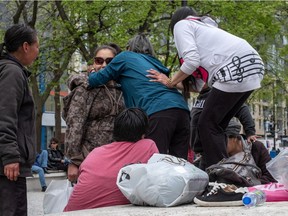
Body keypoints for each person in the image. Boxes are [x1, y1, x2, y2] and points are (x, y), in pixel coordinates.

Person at [147, 6, 264, 169]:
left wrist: (171, 82)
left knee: (206, 124)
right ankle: (223, 171)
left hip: (234, 67)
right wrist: (172, 82)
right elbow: (200, 86)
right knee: (216, 125)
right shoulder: (207, 31)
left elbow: (192, 60)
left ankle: (220, 176)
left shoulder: (182, 24)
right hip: (253, 65)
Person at [88, 34, 190, 160]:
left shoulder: (125, 57)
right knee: (179, 162)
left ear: (129, 48)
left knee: (155, 161)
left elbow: (96, 80)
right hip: (182, 110)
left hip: (158, 111)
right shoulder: (156, 63)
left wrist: (92, 71)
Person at [64, 108, 159, 211]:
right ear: (143, 133)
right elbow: (158, 182)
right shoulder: (148, 146)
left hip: (72, 211)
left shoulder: (95, 152)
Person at [63, 44, 125, 182]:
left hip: (116, 158)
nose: (103, 65)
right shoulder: (85, 88)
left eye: (109, 61)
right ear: (93, 63)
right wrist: (74, 161)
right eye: (99, 60)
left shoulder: (122, 88)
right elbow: (74, 124)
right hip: (89, 157)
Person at [0, 24, 39, 216]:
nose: (37, 51)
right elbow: (5, 116)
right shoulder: (12, 73)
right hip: (8, 167)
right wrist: (10, 157)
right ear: (25, 46)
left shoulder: (10, 70)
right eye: (37, 46)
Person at [190, 86, 257, 168]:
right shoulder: (201, 96)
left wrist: (250, 131)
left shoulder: (217, 95)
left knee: (217, 173)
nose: (194, 83)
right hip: (204, 151)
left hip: (214, 146)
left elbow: (242, 108)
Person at [225, 120, 276, 184]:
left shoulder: (256, 147)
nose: (218, 145)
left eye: (223, 141)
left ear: (234, 138)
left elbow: (271, 176)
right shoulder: (218, 153)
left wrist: (246, 183)